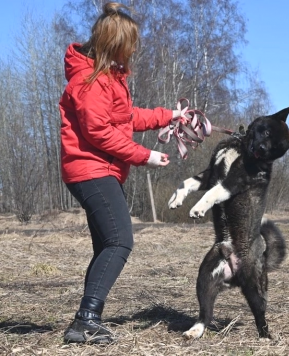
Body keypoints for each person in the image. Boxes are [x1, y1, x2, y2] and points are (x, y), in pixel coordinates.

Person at [59, 2, 185, 344]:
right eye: (130, 45)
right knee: (119, 241)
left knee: (106, 245)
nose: (133, 52)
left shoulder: (108, 79)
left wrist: (168, 115)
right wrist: (144, 156)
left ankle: (87, 320)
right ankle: (85, 320)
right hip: (90, 170)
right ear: (114, 44)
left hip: (100, 170)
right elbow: (99, 132)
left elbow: (126, 118)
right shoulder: (88, 81)